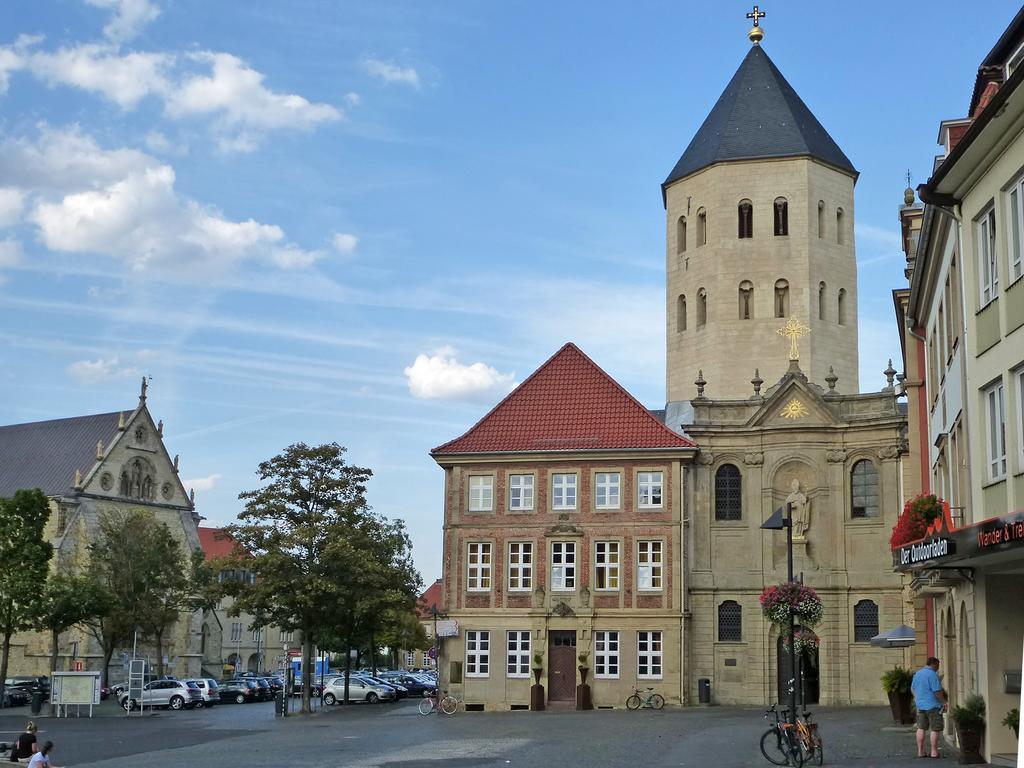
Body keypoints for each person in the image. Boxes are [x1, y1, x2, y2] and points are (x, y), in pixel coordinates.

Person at [912, 657, 948, 758]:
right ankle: (934, 752)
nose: (938, 668)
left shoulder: (918, 674)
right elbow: (936, 691)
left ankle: (920, 751)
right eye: (938, 666)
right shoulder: (932, 675)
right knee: (935, 728)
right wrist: (944, 702)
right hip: (933, 705)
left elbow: (912, 688)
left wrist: (917, 699)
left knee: (921, 728)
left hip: (920, 705)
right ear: (934, 664)